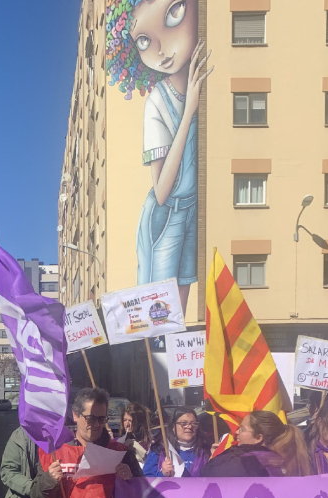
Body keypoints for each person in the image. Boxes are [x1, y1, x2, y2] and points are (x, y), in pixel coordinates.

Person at [104, 0, 212, 308]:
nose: (161, 50)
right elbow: (162, 190)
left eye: (174, 14)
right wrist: (189, 111)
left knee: (181, 310)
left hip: (192, 211)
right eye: (144, 40)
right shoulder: (157, 103)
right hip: (166, 218)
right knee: (160, 316)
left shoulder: (204, 87)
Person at [201, 411, 312, 478]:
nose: (236, 432)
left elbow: (208, 475)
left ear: (258, 438)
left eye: (242, 429)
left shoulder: (244, 462)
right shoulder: (288, 460)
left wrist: (217, 458)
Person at [142, 408, 208, 477]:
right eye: (184, 423)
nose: (190, 426)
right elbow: (145, 479)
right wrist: (162, 474)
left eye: (194, 423)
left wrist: (214, 460)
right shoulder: (159, 449)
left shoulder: (206, 451)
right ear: (173, 427)